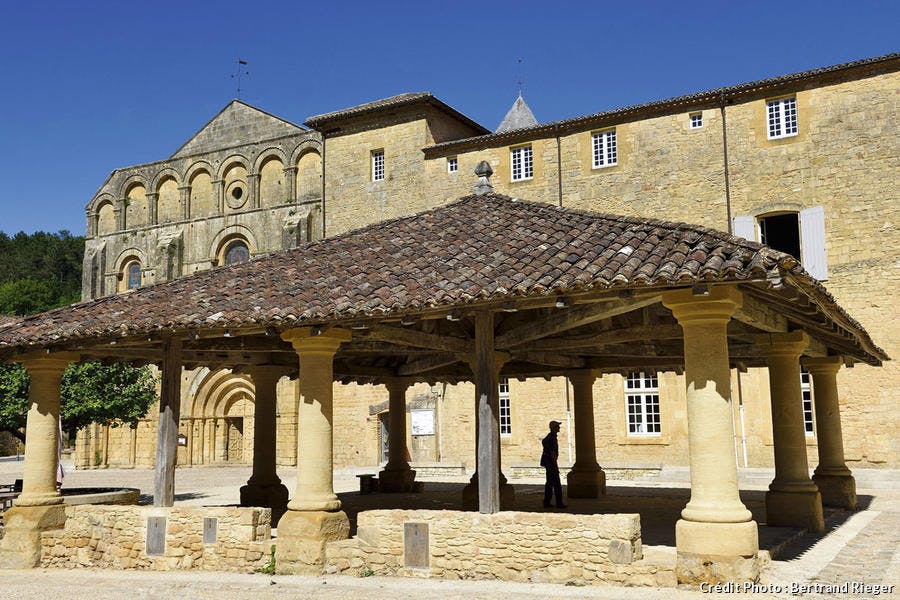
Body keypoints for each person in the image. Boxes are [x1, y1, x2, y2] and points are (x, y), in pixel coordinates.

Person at [540, 420, 566, 508]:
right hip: (551, 463)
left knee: (549, 483)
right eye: (557, 426)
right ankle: (559, 503)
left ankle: (547, 502)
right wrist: (555, 465)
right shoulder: (552, 438)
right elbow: (552, 453)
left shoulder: (550, 437)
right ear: (554, 428)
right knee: (557, 484)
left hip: (548, 463)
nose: (559, 428)